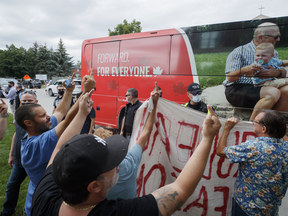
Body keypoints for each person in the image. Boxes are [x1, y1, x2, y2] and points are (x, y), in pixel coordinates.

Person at [30, 83, 221, 216]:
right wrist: (207, 139)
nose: (119, 166)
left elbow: (57, 149)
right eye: (112, 163)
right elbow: (180, 190)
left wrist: (81, 113)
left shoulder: (45, 193)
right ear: (94, 186)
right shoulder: (124, 212)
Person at [15, 71, 96, 216]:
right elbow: (67, 120)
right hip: (44, 205)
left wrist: (69, 92)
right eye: (42, 116)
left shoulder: (37, 129)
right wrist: (85, 92)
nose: (48, 118)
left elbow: (60, 111)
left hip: (37, 197)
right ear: (28, 123)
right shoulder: (38, 144)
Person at [216, 110, 288, 215]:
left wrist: (227, 128)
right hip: (271, 209)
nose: (253, 122)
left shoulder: (254, 147)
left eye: (256, 121)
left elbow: (220, 151)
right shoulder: (286, 147)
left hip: (247, 208)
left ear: (264, 129)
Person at [95, 86, 158, 200]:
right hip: (127, 134)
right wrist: (122, 130)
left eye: (126, 95)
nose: (125, 97)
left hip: (133, 136)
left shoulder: (140, 107)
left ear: (131, 96)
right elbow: (127, 119)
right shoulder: (129, 164)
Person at [223, 22, 288, 121]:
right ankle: (252, 125)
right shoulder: (239, 51)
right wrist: (245, 70)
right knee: (273, 92)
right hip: (238, 88)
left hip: (264, 85)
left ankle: (272, 124)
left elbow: (280, 69)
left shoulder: (273, 52)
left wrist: (277, 73)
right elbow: (230, 78)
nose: (278, 39)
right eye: (276, 37)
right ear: (261, 37)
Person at [0, 91, 38, 216]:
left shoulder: (41, 118)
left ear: (36, 102)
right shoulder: (18, 115)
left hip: (34, 162)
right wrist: (11, 154)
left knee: (38, 189)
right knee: (11, 186)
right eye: (24, 101)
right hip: (18, 161)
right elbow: (16, 135)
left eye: (30, 101)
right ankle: (7, 211)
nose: (26, 103)